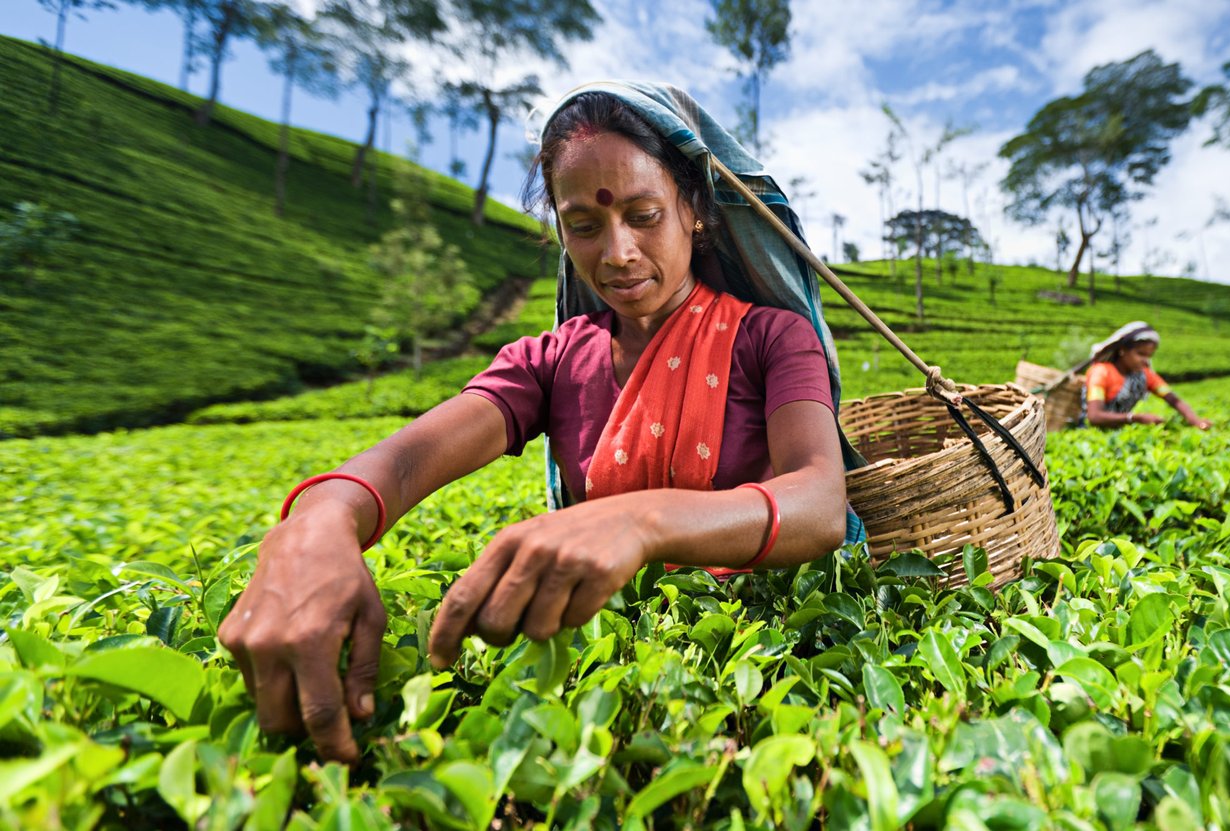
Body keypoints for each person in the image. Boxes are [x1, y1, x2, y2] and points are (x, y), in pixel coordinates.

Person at [218, 85, 852, 763]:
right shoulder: (552, 360)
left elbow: (819, 502)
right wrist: (319, 521)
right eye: (583, 225)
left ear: (693, 210)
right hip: (598, 682)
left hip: (756, 665)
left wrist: (639, 521)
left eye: (644, 215)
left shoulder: (771, 339)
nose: (619, 253)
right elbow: (404, 462)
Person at [1078, 321, 1211, 430]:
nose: (1145, 360)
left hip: (1119, 431)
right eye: (1141, 354)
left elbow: (1173, 400)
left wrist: (1197, 422)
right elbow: (1094, 416)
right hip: (1091, 432)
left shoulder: (1144, 375)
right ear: (1123, 350)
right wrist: (1135, 418)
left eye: (1149, 356)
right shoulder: (1101, 372)